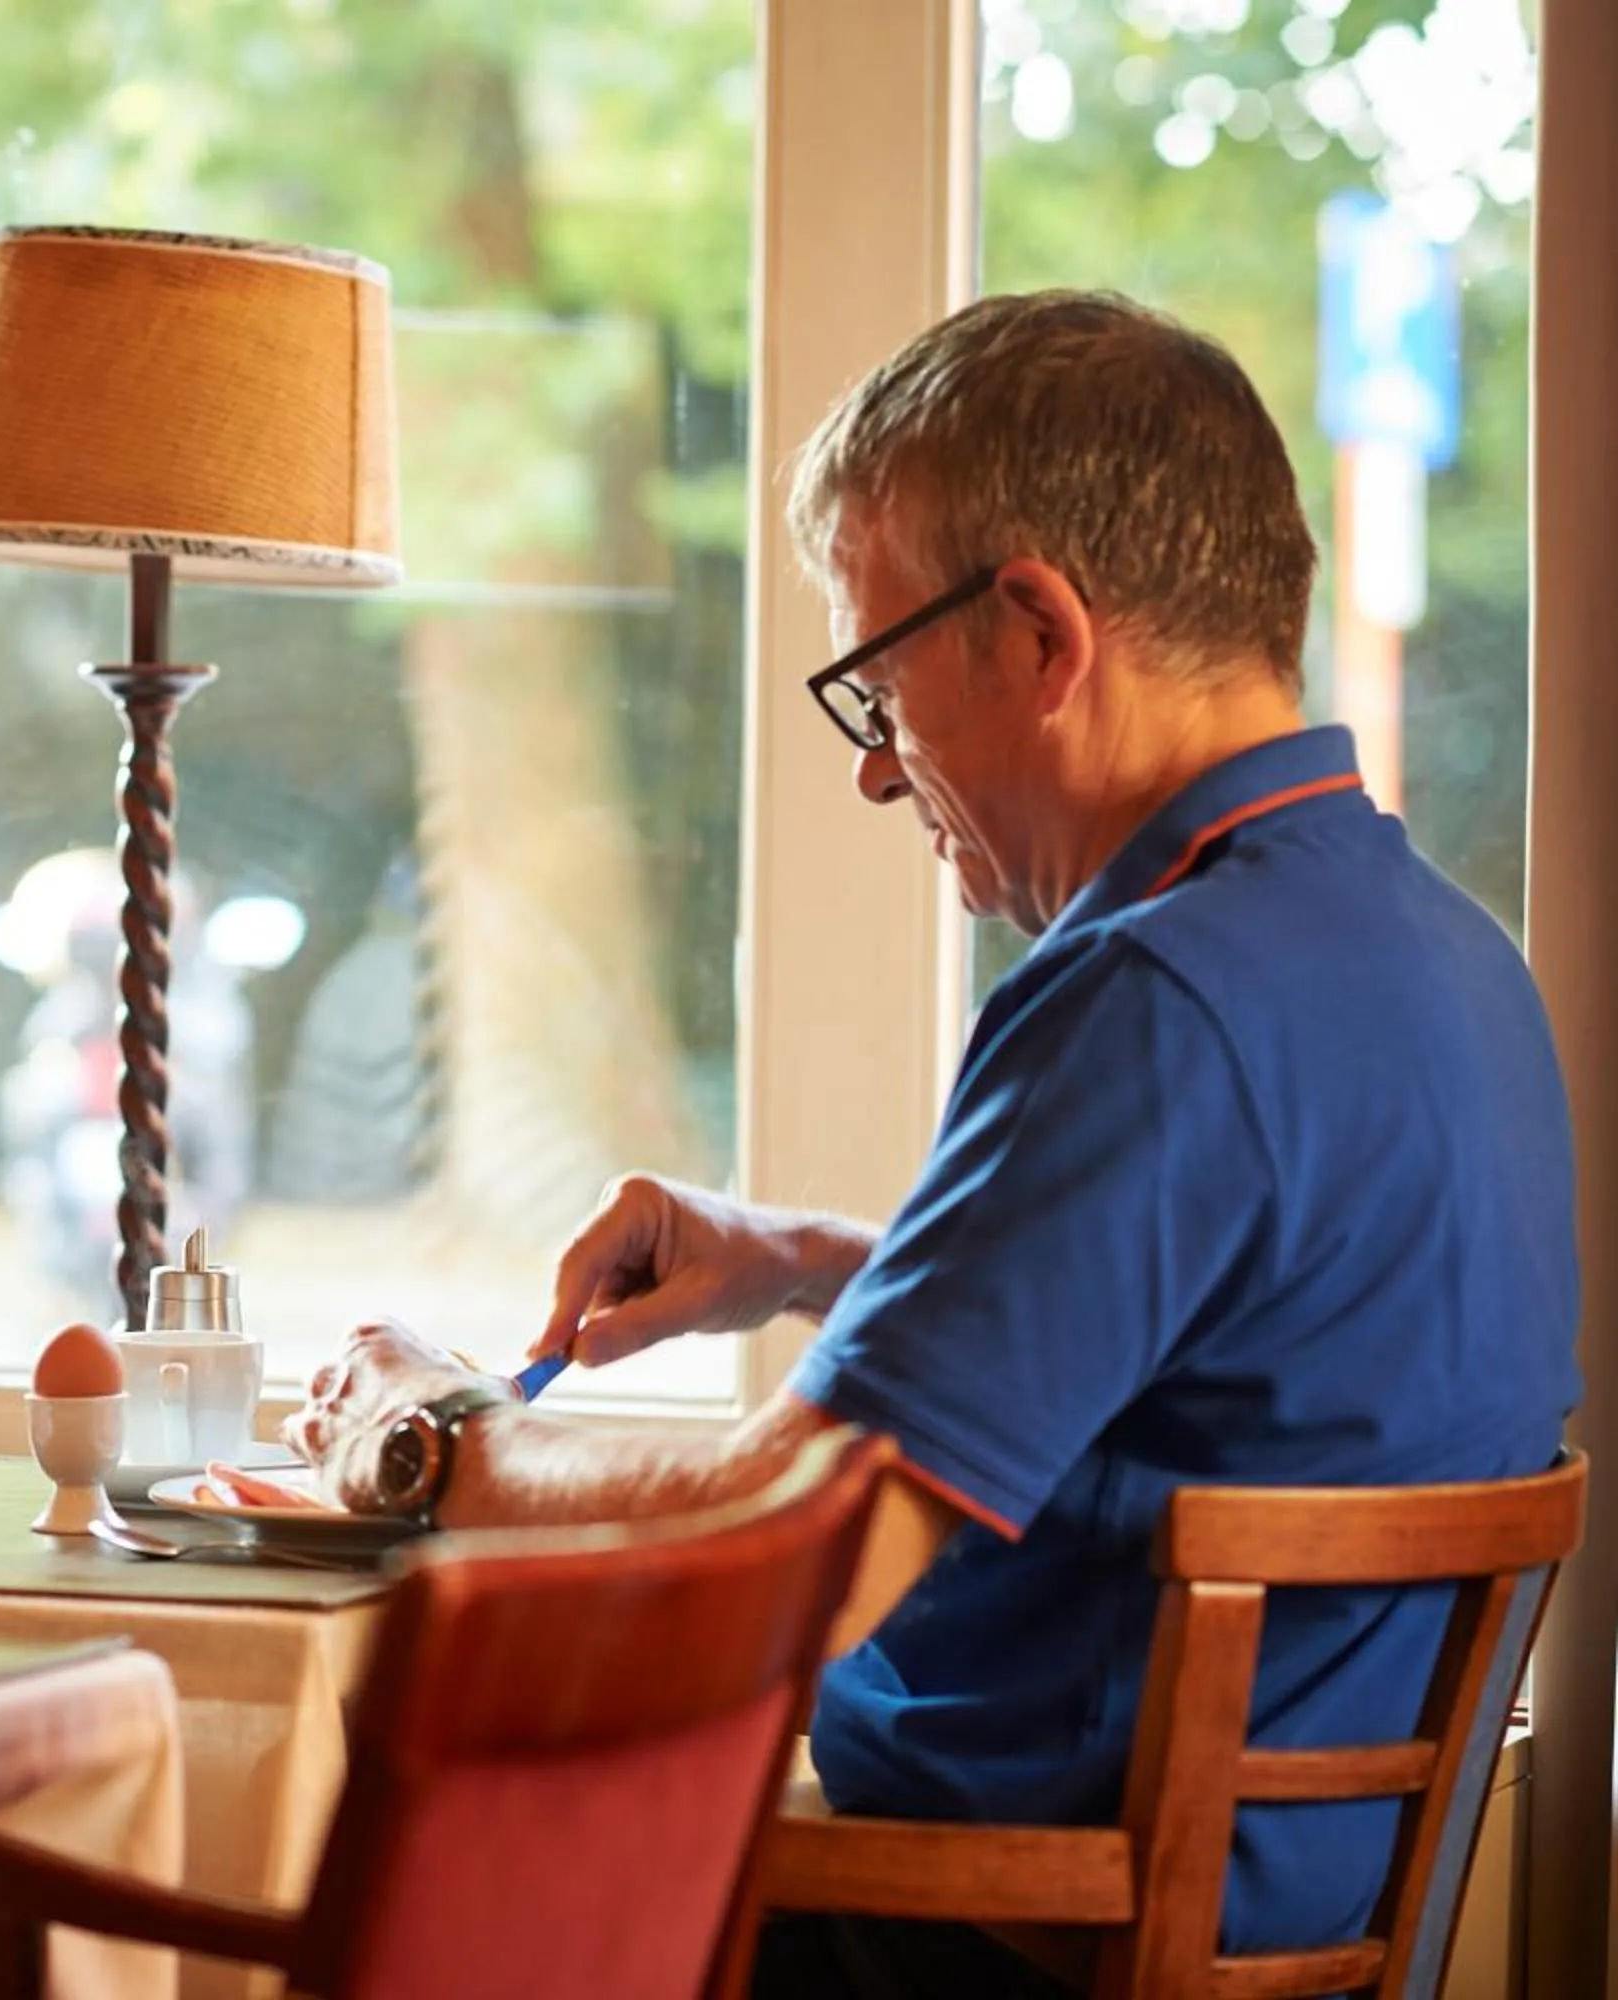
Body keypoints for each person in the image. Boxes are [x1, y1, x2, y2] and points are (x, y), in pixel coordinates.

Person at [283, 291, 1578, 1995]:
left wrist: (431, 1437)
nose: (878, 777)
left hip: (970, 1954)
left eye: (877, 691)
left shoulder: (1154, 999)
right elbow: (1215, 1351)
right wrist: (813, 1264)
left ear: (1039, 634)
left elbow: (778, 1573)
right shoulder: (1448, 962)